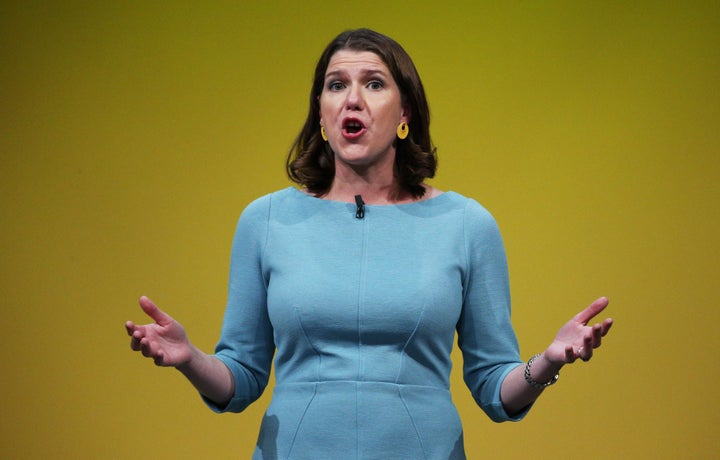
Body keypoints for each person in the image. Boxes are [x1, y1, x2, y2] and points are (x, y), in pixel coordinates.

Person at [126, 28, 613, 459]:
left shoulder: (467, 224)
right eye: (336, 86)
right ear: (321, 112)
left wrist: (547, 363)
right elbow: (241, 377)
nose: (351, 99)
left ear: (404, 112)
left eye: (373, 84)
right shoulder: (266, 220)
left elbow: (494, 386)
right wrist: (191, 359)